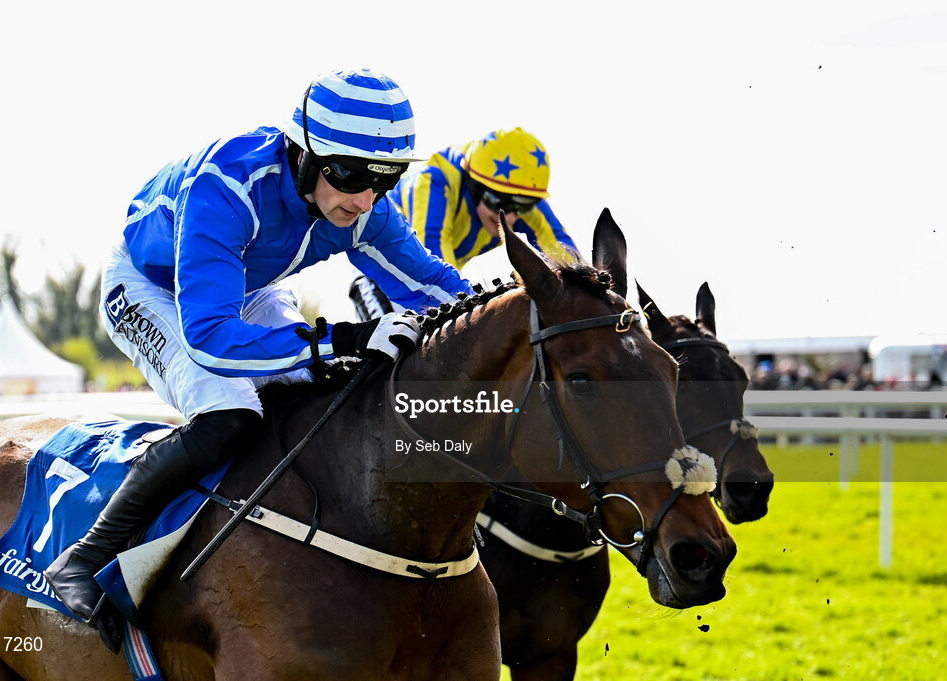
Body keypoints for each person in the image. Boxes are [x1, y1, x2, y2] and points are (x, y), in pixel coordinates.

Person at [45, 68, 472, 625]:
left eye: (386, 178)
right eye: (350, 175)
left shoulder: (365, 209)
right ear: (305, 155)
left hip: (248, 285)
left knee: (318, 390)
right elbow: (211, 340)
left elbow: (433, 285)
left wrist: (522, 306)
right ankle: (85, 557)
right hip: (151, 286)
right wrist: (344, 337)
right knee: (230, 412)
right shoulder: (227, 187)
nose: (366, 199)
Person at [350, 128, 578, 319]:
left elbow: (572, 268)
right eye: (498, 202)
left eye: (523, 206)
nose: (509, 217)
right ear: (473, 185)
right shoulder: (432, 184)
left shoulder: (520, 194)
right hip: (383, 276)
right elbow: (429, 269)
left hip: (437, 277)